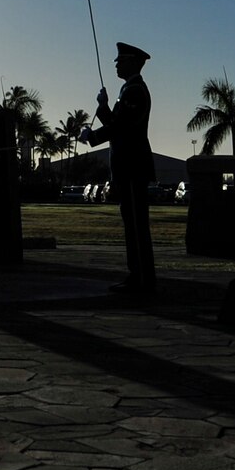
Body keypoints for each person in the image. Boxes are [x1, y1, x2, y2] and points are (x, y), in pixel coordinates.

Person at [81, 43, 156, 295]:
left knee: (136, 225)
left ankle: (143, 279)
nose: (116, 64)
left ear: (134, 63)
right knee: (131, 223)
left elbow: (120, 126)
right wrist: (102, 106)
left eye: (121, 60)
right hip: (127, 167)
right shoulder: (128, 90)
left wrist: (92, 137)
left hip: (133, 166)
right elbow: (115, 122)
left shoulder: (135, 91)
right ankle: (137, 276)